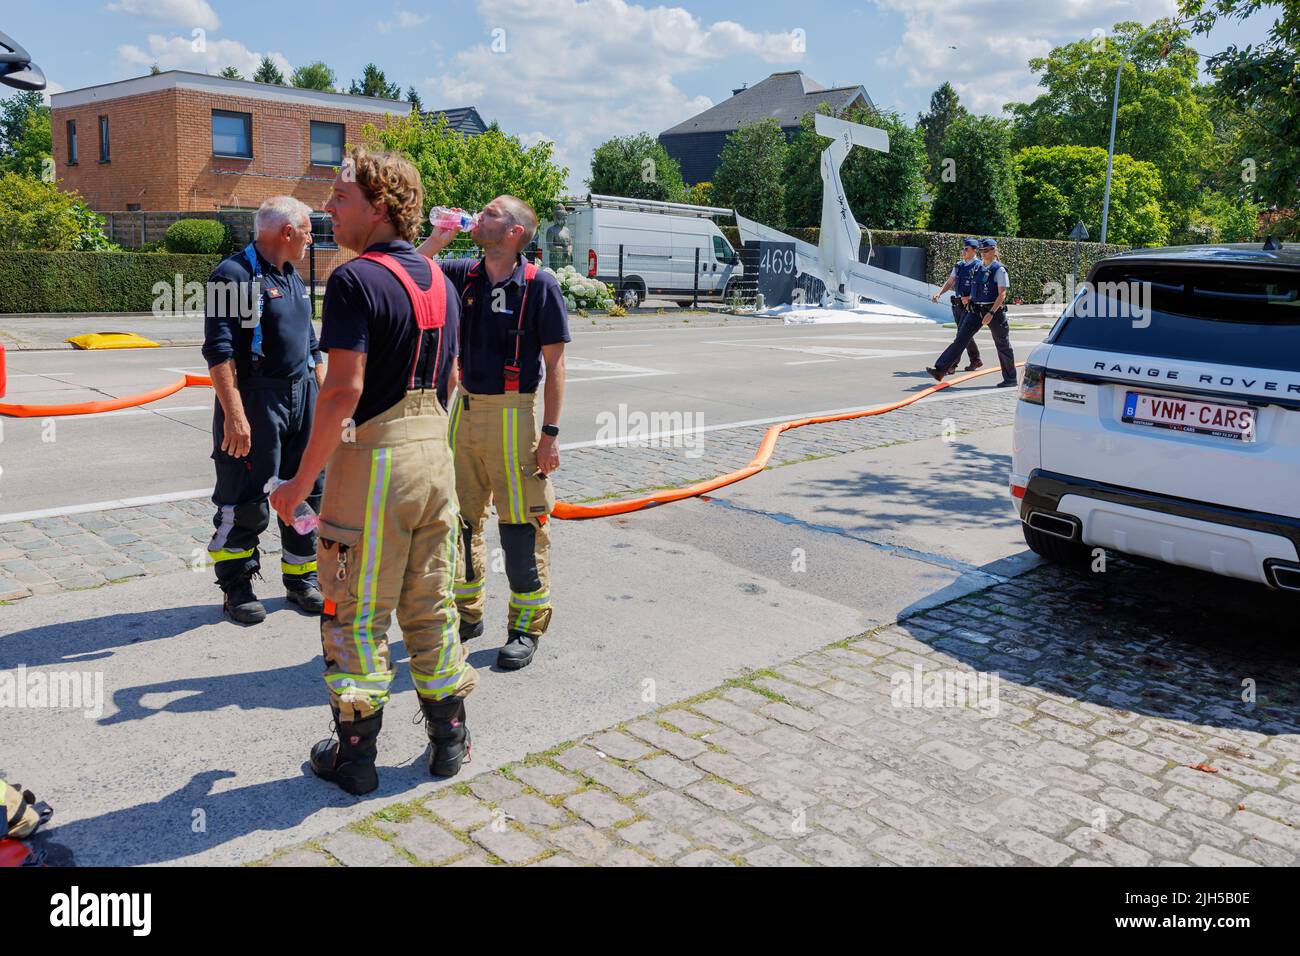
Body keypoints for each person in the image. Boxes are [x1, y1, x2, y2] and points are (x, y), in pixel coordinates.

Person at [270, 147, 477, 794]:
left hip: (374, 463)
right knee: (430, 603)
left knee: (353, 611)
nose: (327, 208)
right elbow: (450, 379)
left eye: (339, 197)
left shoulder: (356, 280)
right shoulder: (440, 281)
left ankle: (355, 755)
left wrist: (300, 484)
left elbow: (340, 392)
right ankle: (450, 738)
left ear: (379, 207)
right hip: (432, 458)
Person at [419, 197, 569, 671]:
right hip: (466, 407)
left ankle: (525, 625)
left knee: (521, 525)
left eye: (489, 214)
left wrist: (549, 434)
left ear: (515, 233)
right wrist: (440, 236)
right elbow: (409, 270)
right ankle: (467, 613)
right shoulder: (465, 272)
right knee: (459, 519)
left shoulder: (540, 286)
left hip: (514, 413)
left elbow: (556, 364)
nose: (477, 217)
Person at [202, 196, 325, 624]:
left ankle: (301, 578)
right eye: (308, 230)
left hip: (300, 398)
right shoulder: (232, 276)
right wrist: (235, 417)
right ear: (286, 232)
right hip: (256, 400)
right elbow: (219, 353)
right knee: (247, 499)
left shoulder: (291, 275)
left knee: (306, 492)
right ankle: (237, 586)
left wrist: (324, 402)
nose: (312, 238)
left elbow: (310, 344)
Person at [927, 237, 1017, 387]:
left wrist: (991, 313)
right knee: (960, 338)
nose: (983, 253)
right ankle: (940, 370)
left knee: (1002, 344)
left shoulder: (999, 269)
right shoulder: (978, 268)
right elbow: (973, 290)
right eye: (982, 250)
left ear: (994, 250)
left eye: (986, 250)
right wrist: (968, 300)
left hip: (993, 311)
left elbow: (1002, 294)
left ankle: (1010, 378)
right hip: (975, 309)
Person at [929, 237, 982, 371]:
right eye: (963, 248)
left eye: (966, 249)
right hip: (958, 304)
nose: (963, 251)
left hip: (970, 305)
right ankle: (975, 359)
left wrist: (970, 298)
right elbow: (950, 281)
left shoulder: (979, 266)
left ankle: (951, 364)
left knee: (961, 335)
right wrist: (939, 293)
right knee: (963, 334)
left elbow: (981, 287)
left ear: (974, 250)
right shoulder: (959, 266)